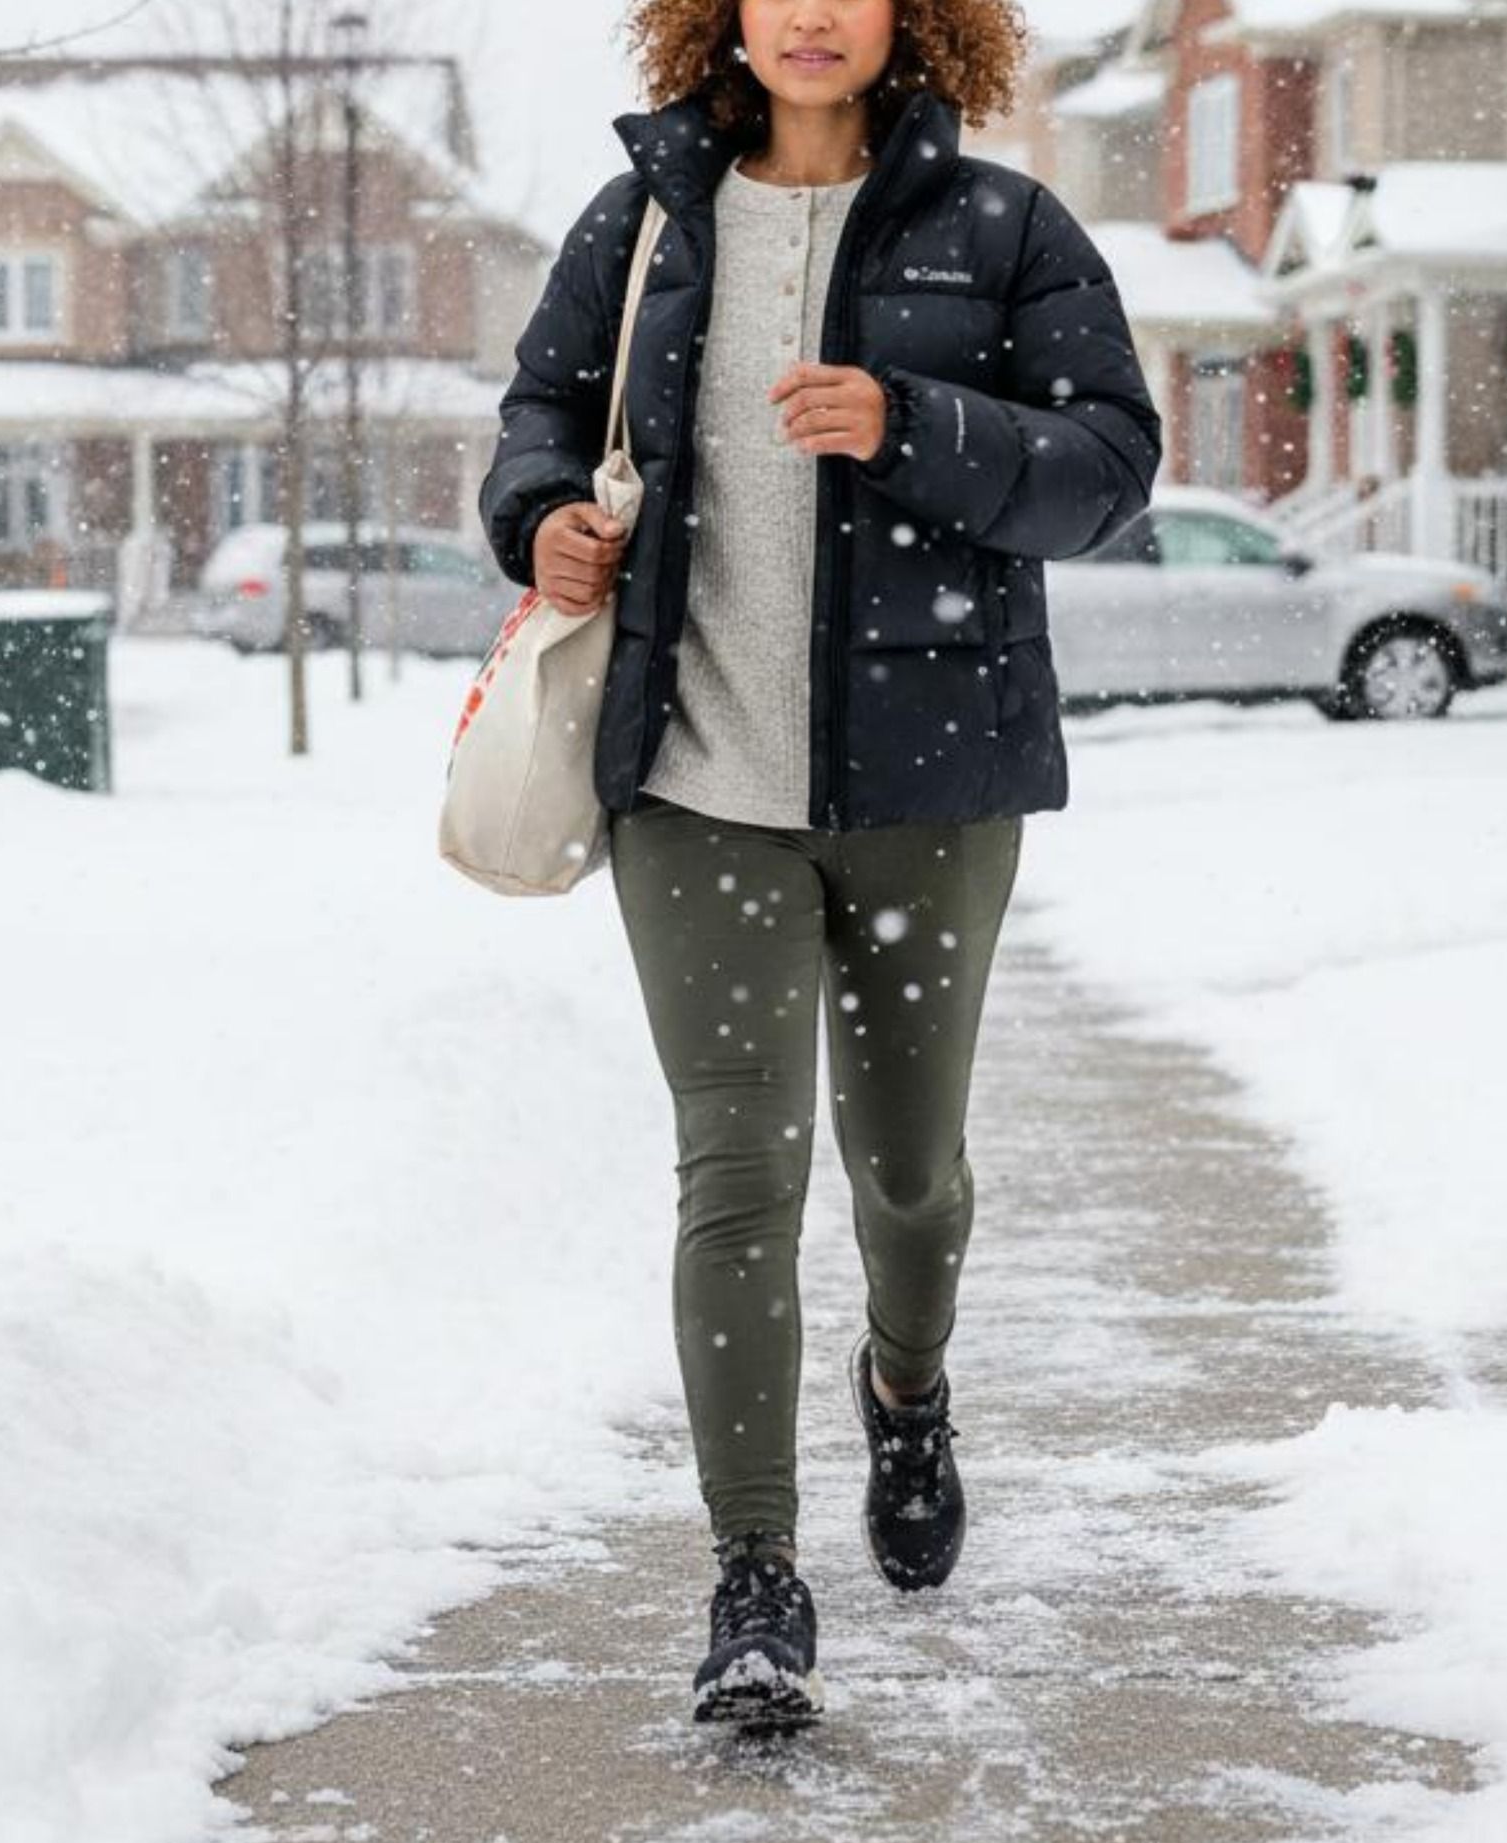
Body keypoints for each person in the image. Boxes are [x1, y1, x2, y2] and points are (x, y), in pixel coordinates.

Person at [479, 0, 1161, 1728]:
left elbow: (1110, 473)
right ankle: (755, 1577)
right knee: (738, 1172)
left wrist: (909, 424)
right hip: (694, 782)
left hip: (931, 790)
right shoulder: (640, 219)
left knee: (909, 1174)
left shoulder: (1004, 228)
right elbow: (540, 418)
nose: (806, 13)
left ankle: (906, 1385)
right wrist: (541, 517)